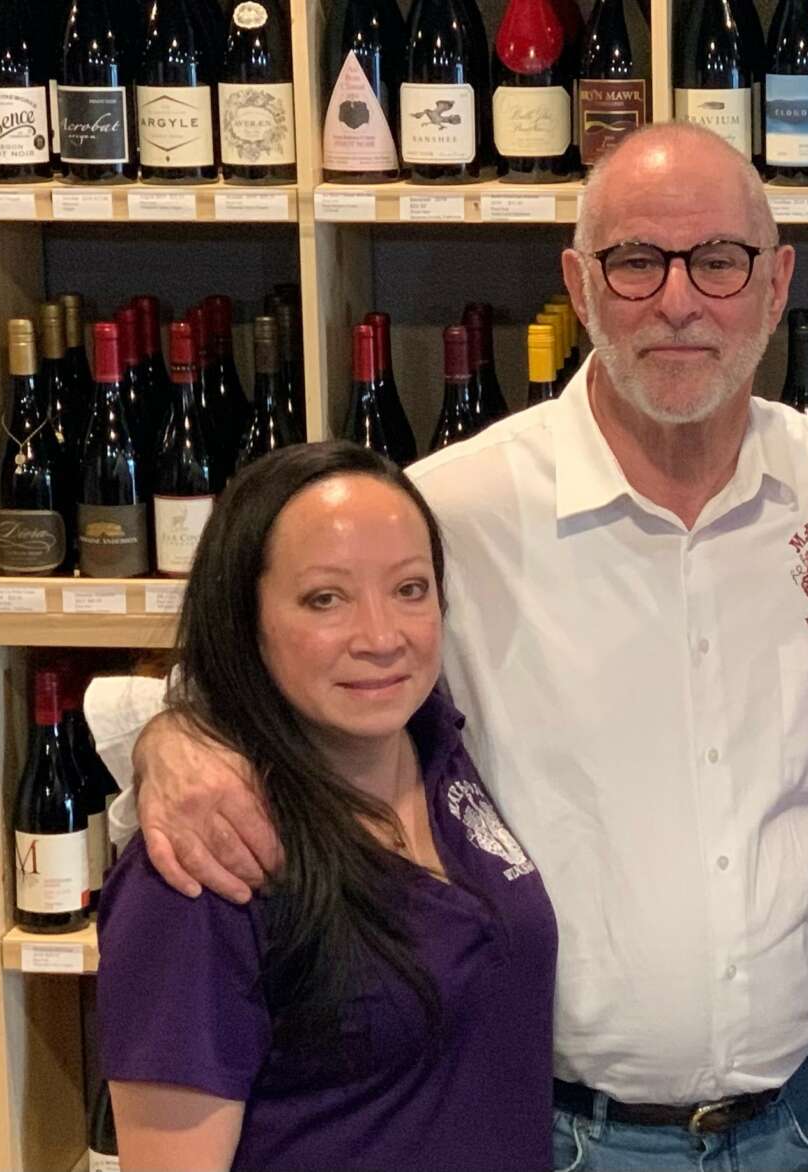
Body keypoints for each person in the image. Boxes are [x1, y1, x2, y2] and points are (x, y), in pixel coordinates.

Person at [86, 122, 808, 1171]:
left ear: (776, 281)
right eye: (635, 261)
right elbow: (256, 661)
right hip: (565, 1135)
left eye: (718, 259)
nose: (678, 300)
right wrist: (172, 740)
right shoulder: (459, 508)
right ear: (578, 283)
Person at [98, 442, 558, 1170]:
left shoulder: (437, 744)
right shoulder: (204, 863)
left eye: (410, 589)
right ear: (244, 617)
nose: (381, 637)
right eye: (325, 599)